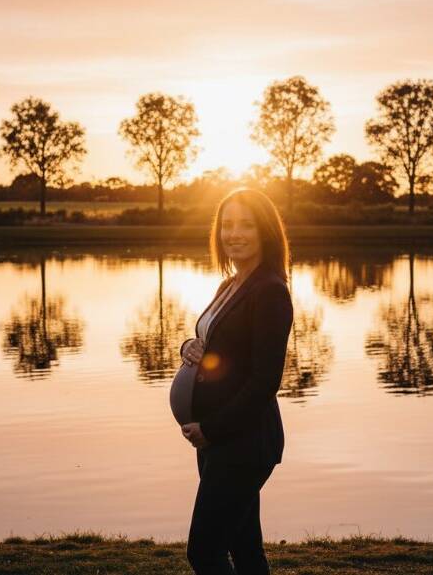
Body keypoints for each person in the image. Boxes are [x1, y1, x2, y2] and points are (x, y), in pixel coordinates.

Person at [178, 187, 293, 575]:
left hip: (242, 441)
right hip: (216, 439)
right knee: (245, 549)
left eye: (246, 224)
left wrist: (211, 429)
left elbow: (264, 381)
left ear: (265, 231)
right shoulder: (230, 285)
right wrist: (189, 347)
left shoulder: (270, 291)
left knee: (205, 552)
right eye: (227, 225)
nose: (234, 234)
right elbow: (214, 345)